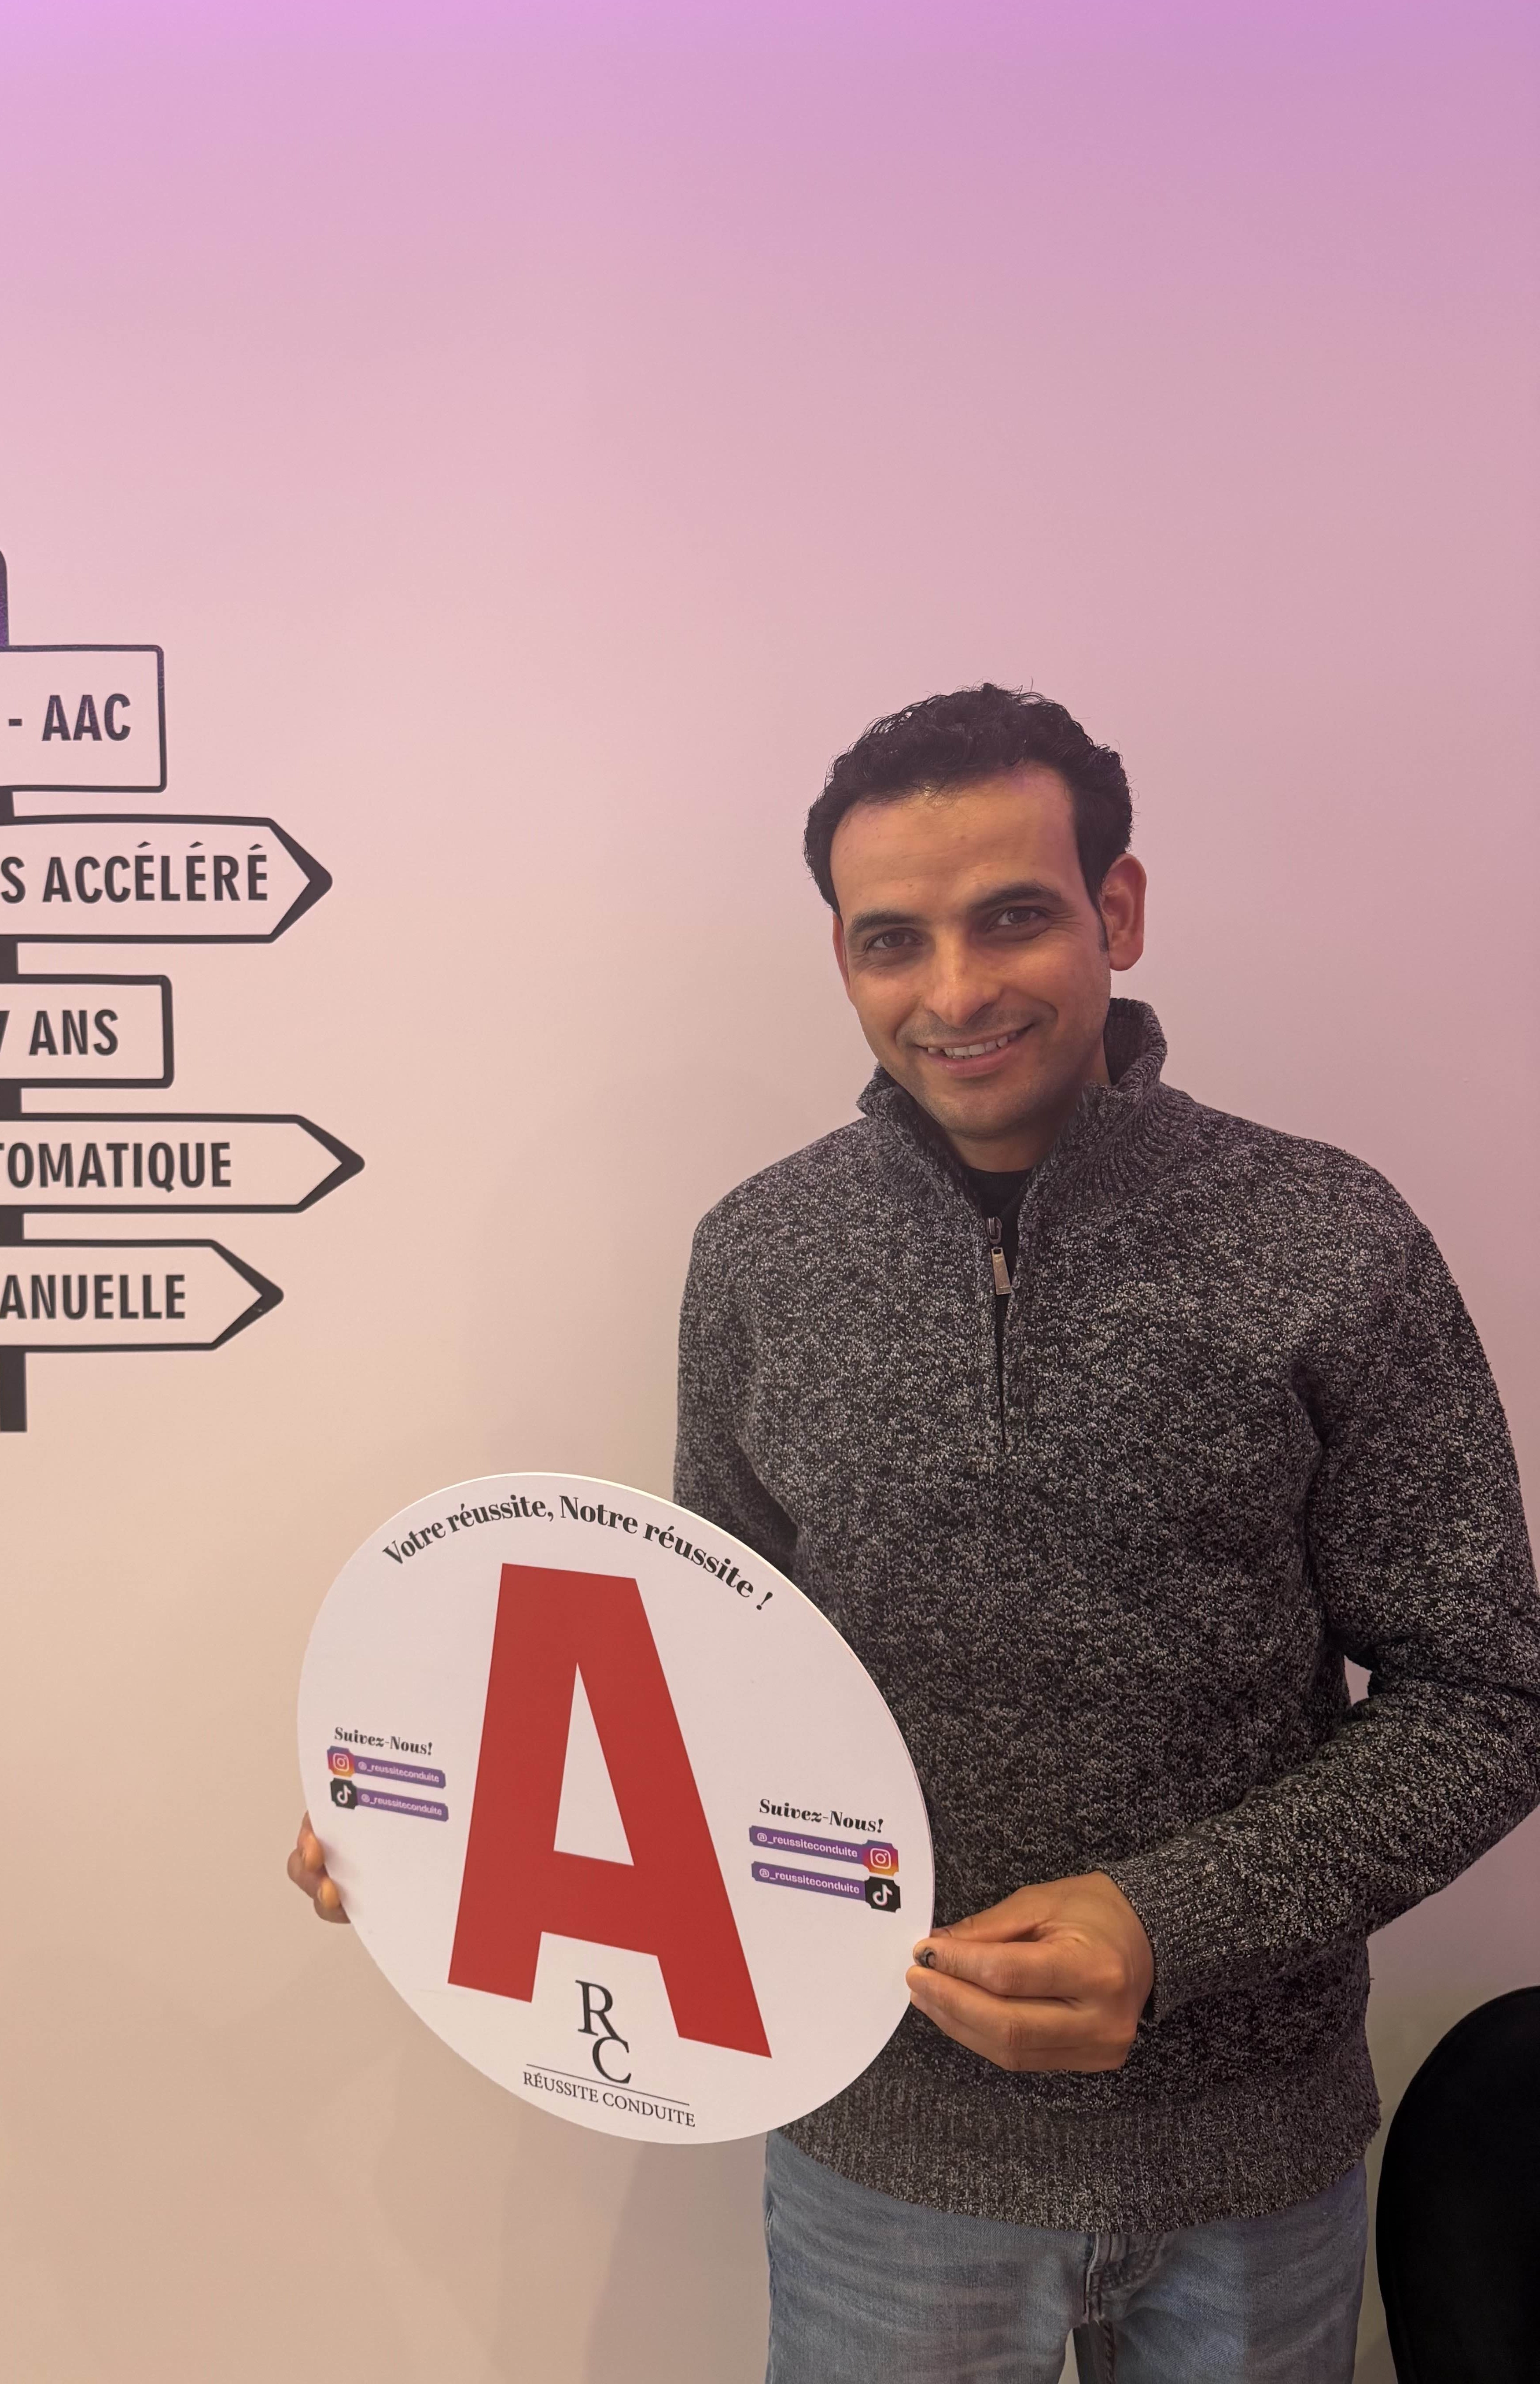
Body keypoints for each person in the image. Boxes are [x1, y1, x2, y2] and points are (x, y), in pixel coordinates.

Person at [291, 685, 1540, 2383]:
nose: (952, 992)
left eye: (1010, 916)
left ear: (1117, 910)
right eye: (893, 940)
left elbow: (1488, 1697)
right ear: (842, 958)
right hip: (875, 2166)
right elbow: (695, 1677)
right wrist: (430, 1809)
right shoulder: (759, 1257)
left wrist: (1170, 1922)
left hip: (1250, 2172)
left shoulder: (1331, 1240)